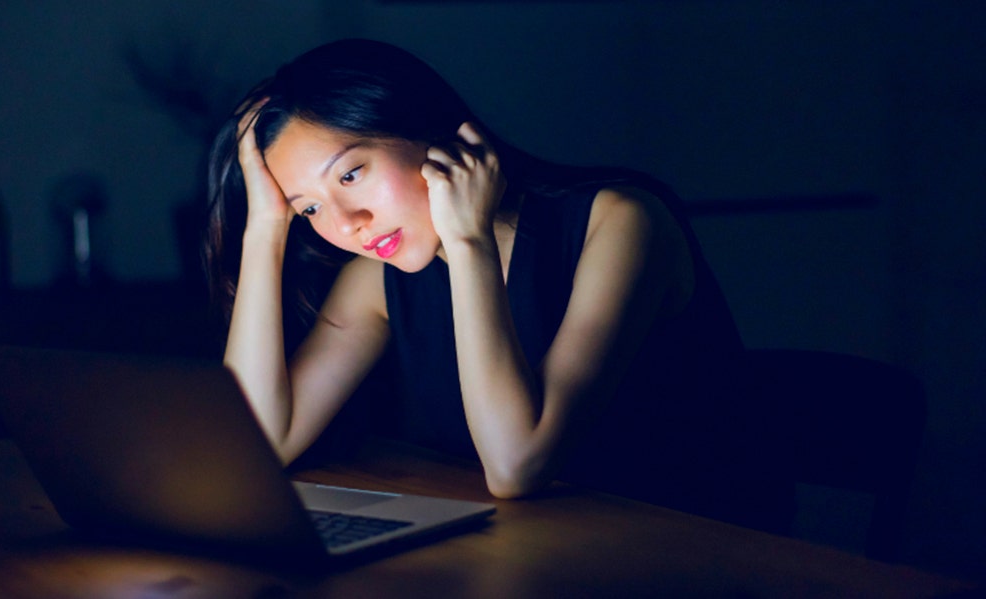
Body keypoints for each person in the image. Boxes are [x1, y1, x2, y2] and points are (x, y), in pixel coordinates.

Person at [204, 39, 791, 532]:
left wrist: (469, 244)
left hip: (692, 561)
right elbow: (255, 447)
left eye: (352, 174)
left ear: (429, 130)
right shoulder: (377, 278)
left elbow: (518, 466)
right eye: (309, 209)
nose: (345, 225)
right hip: (538, 559)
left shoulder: (621, 222)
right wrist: (265, 228)